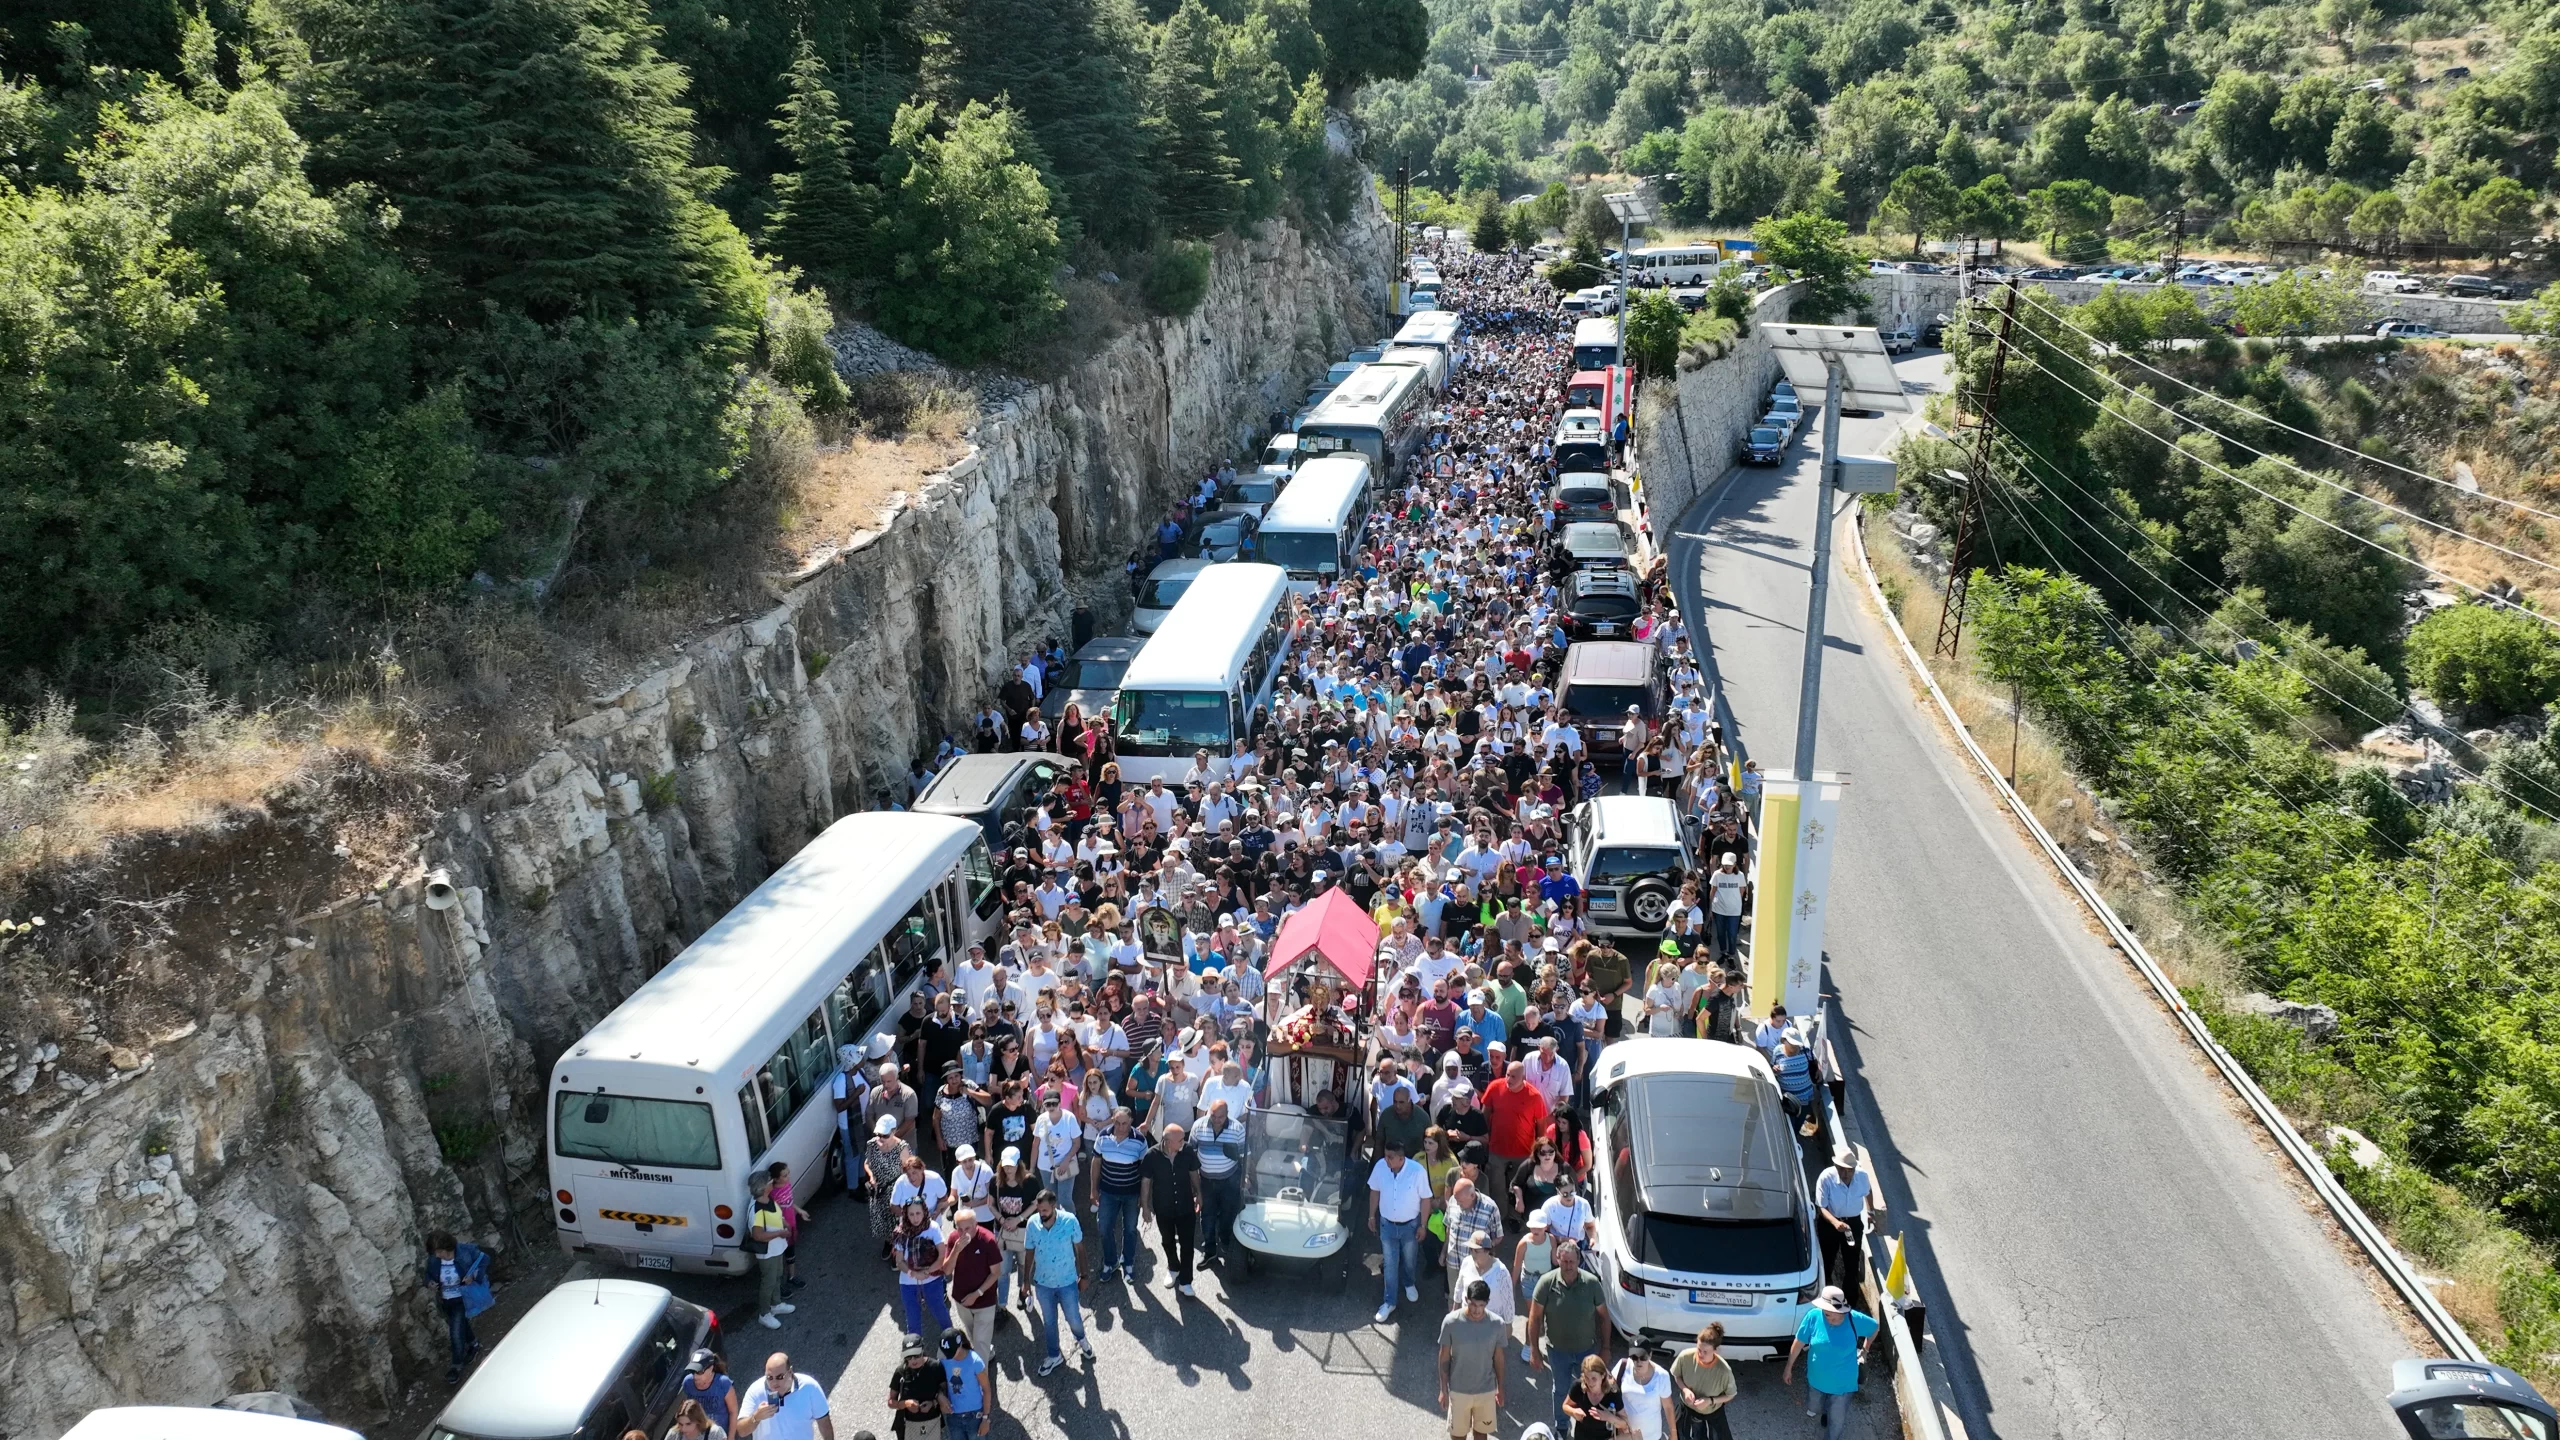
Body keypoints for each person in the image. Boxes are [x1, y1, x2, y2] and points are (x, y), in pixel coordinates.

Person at [1527, 1241, 1610, 1439]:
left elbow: (1604, 1317)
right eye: (1564, 1261)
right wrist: (1534, 1350)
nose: (1568, 1265)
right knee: (1560, 1390)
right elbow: (1534, 1317)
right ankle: (1562, 1427)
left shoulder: (1591, 1283)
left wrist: (1605, 1347)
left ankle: (1592, 1423)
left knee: (1593, 1387)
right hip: (1557, 1351)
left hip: (1586, 1352)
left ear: (1578, 1261)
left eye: (1572, 1261)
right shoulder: (1546, 1283)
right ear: (1557, 1259)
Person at [1783, 1285, 1880, 1440]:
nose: (1832, 1317)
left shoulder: (1855, 1320)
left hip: (1843, 1384)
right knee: (1815, 1405)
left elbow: (1874, 1328)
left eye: (1836, 1314)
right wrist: (1788, 1367)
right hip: (1816, 1379)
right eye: (1827, 1314)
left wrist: (1865, 1350)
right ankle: (1825, 1412)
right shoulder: (1813, 1316)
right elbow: (1799, 1342)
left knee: (1836, 1422)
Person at [1024, 1189, 1094, 1375]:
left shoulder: (1069, 1221)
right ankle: (1054, 1356)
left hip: (1067, 1282)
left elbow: (1080, 1248)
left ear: (1054, 1206)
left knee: (1073, 1317)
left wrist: (1084, 1275)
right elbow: (1029, 1252)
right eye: (1039, 1210)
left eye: (1045, 1210)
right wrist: (1025, 1282)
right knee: (1049, 1322)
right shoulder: (1032, 1224)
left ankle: (1081, 1339)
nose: (1041, 1214)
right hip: (1043, 1284)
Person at [1368, 1134, 1433, 1324]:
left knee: (1410, 1259)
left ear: (1401, 1158)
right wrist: (1371, 1215)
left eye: (1390, 1157)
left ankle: (1409, 1282)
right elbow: (1375, 1190)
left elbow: (1426, 1198)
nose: (1386, 1160)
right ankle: (1389, 1301)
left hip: (1410, 1226)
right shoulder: (1381, 1166)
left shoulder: (1417, 1171)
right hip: (1387, 1225)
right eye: (1386, 1156)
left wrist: (1423, 1224)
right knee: (1389, 1264)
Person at [1438, 1279, 1510, 1440]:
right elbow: (1444, 1357)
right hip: (1458, 1391)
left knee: (1481, 1434)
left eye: (1481, 1306)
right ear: (1466, 1300)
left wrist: (1500, 1387)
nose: (1477, 1310)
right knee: (1458, 1436)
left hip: (1486, 1391)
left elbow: (1499, 1358)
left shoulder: (1497, 1324)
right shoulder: (1451, 1322)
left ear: (1487, 1303)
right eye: (1473, 1305)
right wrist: (1443, 1389)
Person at [1139, 1120, 1204, 1296]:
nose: (1184, 1142)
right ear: (1167, 1141)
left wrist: (1198, 1193)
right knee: (1167, 1241)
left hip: (1185, 1207)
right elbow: (1146, 1182)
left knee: (1187, 1244)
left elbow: (1194, 1173)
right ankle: (1173, 1268)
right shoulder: (1151, 1155)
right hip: (1163, 1207)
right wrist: (1145, 1207)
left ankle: (1186, 1281)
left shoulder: (1188, 1151)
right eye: (1180, 1140)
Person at [420, 1230, 493, 1382]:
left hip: (461, 1299)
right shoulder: (434, 1260)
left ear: (447, 1246)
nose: (437, 1255)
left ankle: (456, 1366)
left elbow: (485, 1259)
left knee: (455, 1333)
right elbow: (428, 1275)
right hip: (446, 1301)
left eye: (439, 1251)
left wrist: (475, 1276)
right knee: (461, 1324)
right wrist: (429, 1283)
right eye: (435, 1252)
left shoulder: (465, 1251)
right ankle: (474, 1344)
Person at [1089, 1106, 1150, 1282]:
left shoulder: (1139, 1140)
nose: (1121, 1127)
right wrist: (1093, 1189)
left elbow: (1145, 1173)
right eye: (1117, 1122)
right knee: (1104, 1229)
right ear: (1113, 1119)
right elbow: (1096, 1163)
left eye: (1124, 1123)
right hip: (1108, 1192)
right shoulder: (1103, 1136)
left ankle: (1128, 1262)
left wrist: (1143, 1199)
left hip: (1131, 1194)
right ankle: (1111, 1262)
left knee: (1130, 1230)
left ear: (1131, 1121)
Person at [1815, 1149, 1881, 1288]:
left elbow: (1868, 1192)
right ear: (1836, 1166)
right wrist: (1835, 1222)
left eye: (1849, 1170)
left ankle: (1850, 1299)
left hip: (1853, 1224)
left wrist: (1871, 1212)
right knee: (1827, 1258)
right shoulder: (1826, 1178)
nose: (1846, 1174)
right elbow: (1822, 1208)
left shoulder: (1862, 1176)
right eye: (1842, 1169)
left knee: (1852, 1261)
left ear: (1854, 1168)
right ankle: (1826, 1289)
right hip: (1830, 1224)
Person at [945, 1206, 1005, 1356]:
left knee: (980, 1346)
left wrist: (977, 1294)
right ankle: (986, 1353)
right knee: (973, 1335)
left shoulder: (988, 1240)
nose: (964, 1233)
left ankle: (981, 1377)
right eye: (960, 1229)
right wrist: (955, 1251)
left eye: (968, 1228)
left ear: (976, 1224)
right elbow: (946, 1270)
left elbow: (996, 1272)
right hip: (962, 1300)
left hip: (985, 1301)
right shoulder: (954, 1239)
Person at [733, 1353, 834, 1440]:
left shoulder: (810, 1387)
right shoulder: (755, 1391)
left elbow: (824, 1422)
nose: (774, 1382)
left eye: (779, 1377)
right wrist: (755, 1417)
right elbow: (741, 1431)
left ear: (790, 1372)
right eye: (769, 1377)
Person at [1195, 1099, 1248, 1266]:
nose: (1216, 1120)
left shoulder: (1237, 1129)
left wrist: (1246, 1178)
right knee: (1207, 1216)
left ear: (1227, 1114)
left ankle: (1225, 1242)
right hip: (1206, 1181)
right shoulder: (1198, 1127)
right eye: (1213, 1115)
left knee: (1228, 1214)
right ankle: (1210, 1250)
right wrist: (1194, 1186)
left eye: (1221, 1116)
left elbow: (1246, 1157)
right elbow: (1191, 1155)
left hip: (1229, 1181)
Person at [990, 1147, 1042, 1312]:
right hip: (1003, 1233)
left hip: (1024, 1232)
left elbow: (1036, 1202)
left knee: (1023, 1266)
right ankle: (1002, 1305)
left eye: (1011, 1166)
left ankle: (1024, 1293)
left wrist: (1019, 1219)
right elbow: (990, 1204)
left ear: (1019, 1164)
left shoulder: (1030, 1181)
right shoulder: (995, 1180)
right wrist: (1002, 1220)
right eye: (1005, 1166)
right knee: (1003, 1271)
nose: (1008, 1170)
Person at [891, 1199, 951, 1337]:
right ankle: (914, 1354)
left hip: (932, 1280)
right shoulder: (901, 1231)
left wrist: (927, 1272)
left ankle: (954, 1344)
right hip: (908, 1283)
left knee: (941, 1313)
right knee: (912, 1321)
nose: (915, 1218)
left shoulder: (933, 1227)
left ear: (924, 1212)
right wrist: (914, 1273)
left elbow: (942, 1255)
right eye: (911, 1214)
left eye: (918, 1213)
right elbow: (899, 1261)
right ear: (905, 1214)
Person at [1669, 1323, 1737, 1440]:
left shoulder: (1724, 1371)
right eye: (1699, 1349)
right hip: (1686, 1410)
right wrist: (1685, 1389)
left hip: (1712, 1415)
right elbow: (1677, 1375)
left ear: (1716, 1350)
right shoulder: (1685, 1357)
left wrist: (1710, 1400)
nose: (1700, 1354)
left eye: (1705, 1352)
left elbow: (1730, 1395)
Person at [748, 1175, 795, 1330]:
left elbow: (778, 1215)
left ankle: (776, 1304)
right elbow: (757, 1235)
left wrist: (785, 1224)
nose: (772, 1183)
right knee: (768, 1281)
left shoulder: (769, 1200)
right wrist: (779, 1234)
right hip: (767, 1252)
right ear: (762, 1188)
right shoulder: (756, 1210)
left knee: (778, 1275)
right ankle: (764, 1314)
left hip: (777, 1248)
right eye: (769, 1182)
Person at [886, 1334, 948, 1440]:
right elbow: (891, 1401)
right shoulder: (900, 1372)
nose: (913, 1360)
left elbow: (945, 1391)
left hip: (932, 1423)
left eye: (916, 1356)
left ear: (922, 1350)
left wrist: (933, 1402)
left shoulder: (935, 1367)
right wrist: (905, 1404)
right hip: (907, 1425)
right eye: (908, 1357)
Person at [940, 1324, 994, 1439]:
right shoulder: (944, 1360)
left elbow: (986, 1390)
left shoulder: (975, 1361)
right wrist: (940, 1397)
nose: (948, 1356)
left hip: (975, 1417)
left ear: (960, 1345)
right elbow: (941, 1384)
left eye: (952, 1352)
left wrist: (985, 1419)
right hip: (954, 1416)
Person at [1560, 1353, 1630, 1440]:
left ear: (1603, 1375)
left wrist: (1609, 1417)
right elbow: (1565, 1406)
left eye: (1594, 1378)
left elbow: (1624, 1424)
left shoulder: (1612, 1393)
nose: (1590, 1383)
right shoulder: (1578, 1386)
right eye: (1587, 1377)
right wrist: (1573, 1412)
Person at [1612, 1347, 1675, 1440]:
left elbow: (1668, 1406)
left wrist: (1674, 1434)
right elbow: (1609, 1391)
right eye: (1634, 1357)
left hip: (1652, 1437)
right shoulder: (1622, 1366)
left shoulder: (1661, 1375)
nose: (1638, 1361)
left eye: (1643, 1357)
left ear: (1650, 1355)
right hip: (1626, 1435)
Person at [679, 1350, 738, 1435]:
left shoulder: (723, 1383)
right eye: (692, 1371)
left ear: (711, 1368)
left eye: (699, 1371)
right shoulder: (687, 1383)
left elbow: (733, 1412)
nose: (695, 1376)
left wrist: (731, 1437)